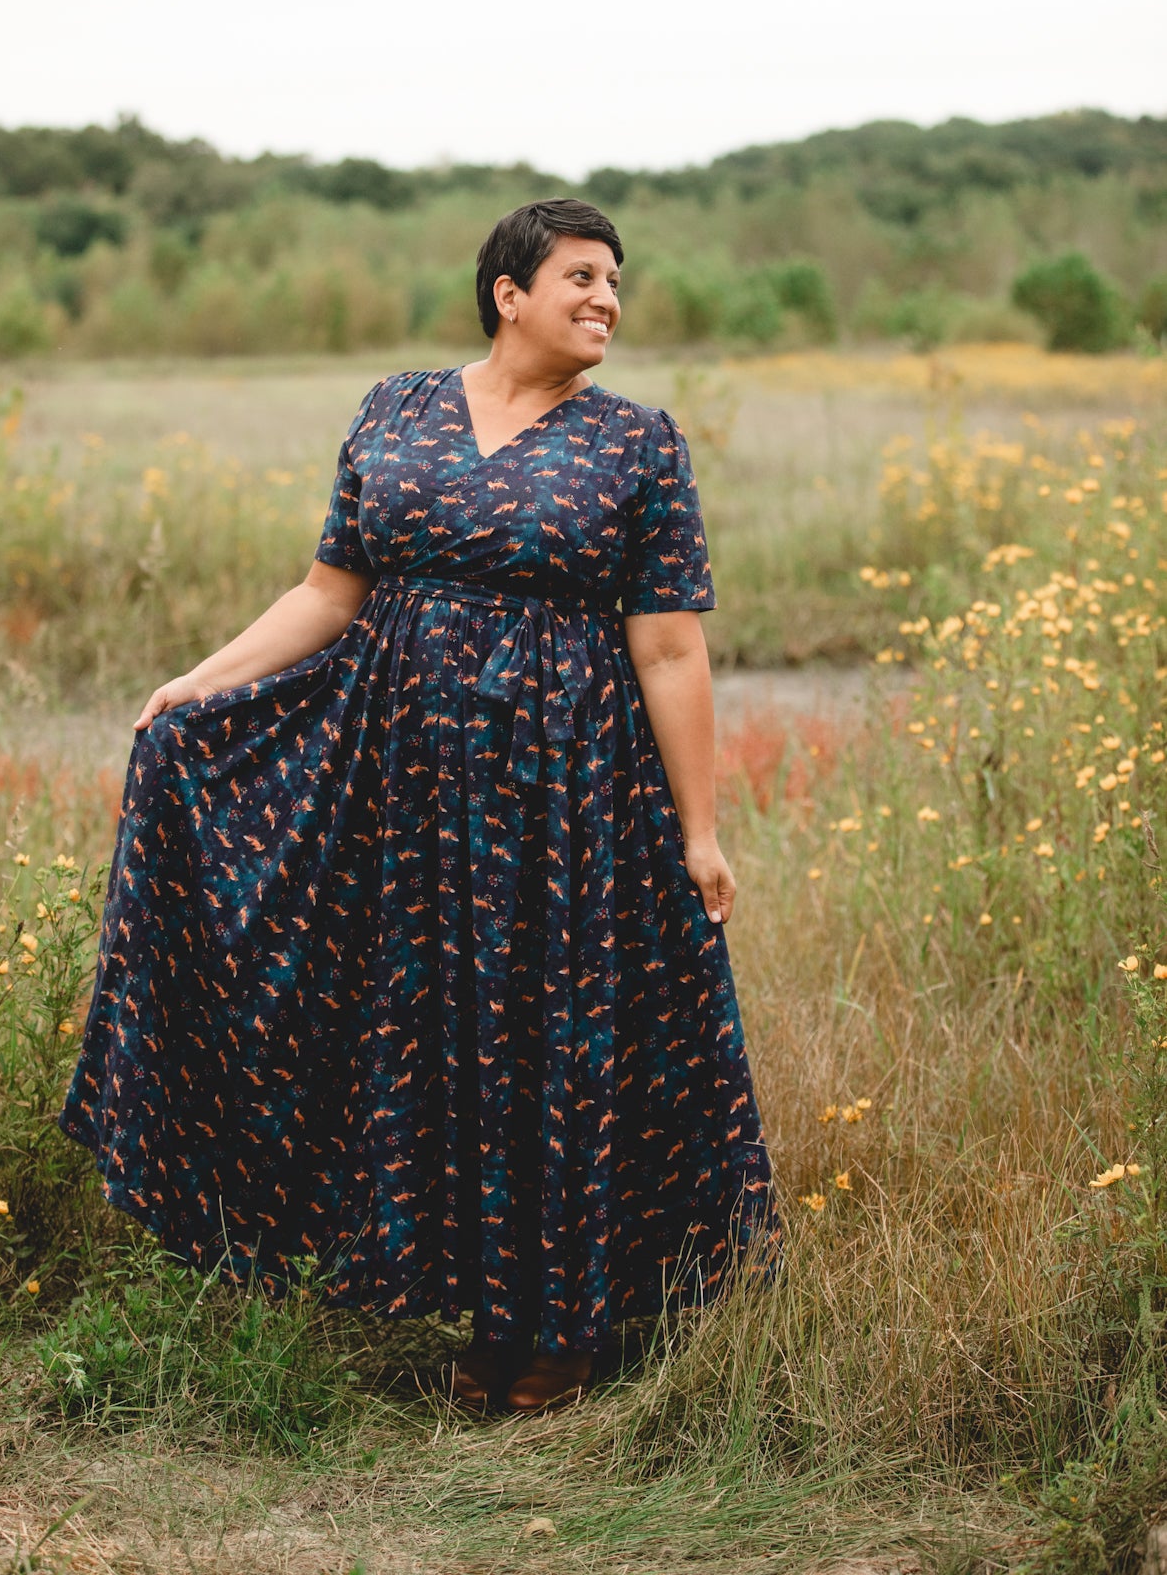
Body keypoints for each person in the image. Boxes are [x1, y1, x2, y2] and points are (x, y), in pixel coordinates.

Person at [60, 198, 777, 1414]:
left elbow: (667, 650)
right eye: (583, 277)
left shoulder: (637, 445)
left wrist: (697, 828)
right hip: (390, 789)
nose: (608, 300)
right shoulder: (395, 409)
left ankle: (553, 1332)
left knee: (548, 1038)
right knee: (416, 1035)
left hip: (563, 800)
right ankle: (449, 1296)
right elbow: (329, 590)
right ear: (510, 292)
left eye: (617, 284)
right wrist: (200, 679)